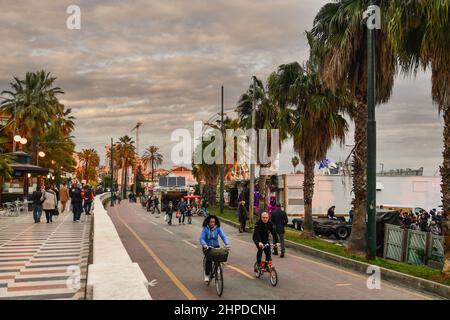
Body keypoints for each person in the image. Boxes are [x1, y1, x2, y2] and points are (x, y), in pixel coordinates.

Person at [199, 215, 230, 283]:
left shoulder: (218, 228)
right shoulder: (205, 228)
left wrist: (227, 244)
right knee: (209, 259)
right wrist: (204, 244)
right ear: (208, 222)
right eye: (211, 222)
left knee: (221, 256)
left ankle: (218, 268)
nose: (212, 223)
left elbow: (223, 236)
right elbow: (202, 238)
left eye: (214, 222)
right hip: (207, 247)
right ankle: (207, 274)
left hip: (216, 246)